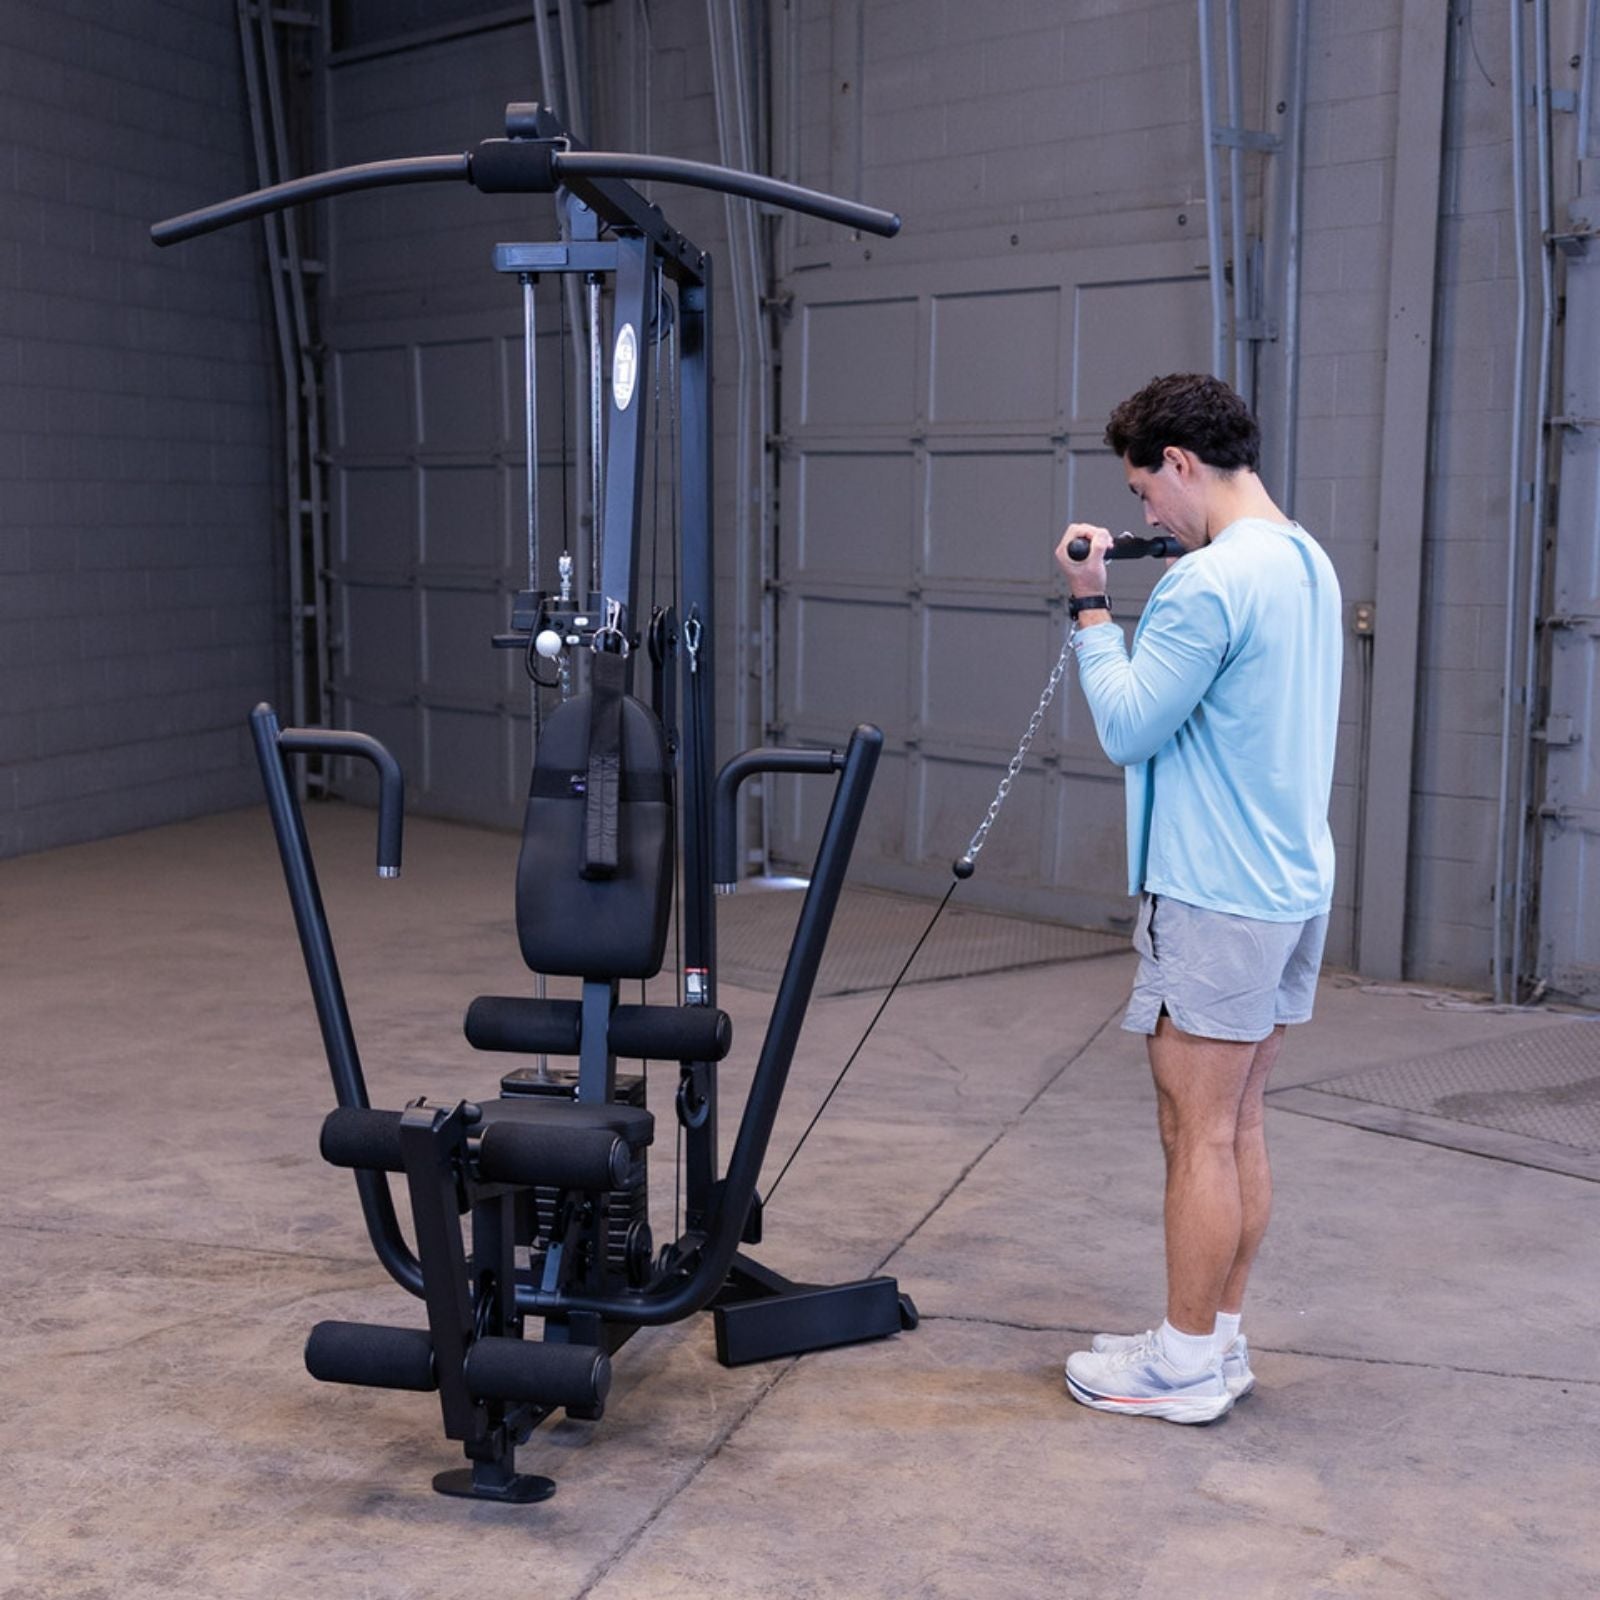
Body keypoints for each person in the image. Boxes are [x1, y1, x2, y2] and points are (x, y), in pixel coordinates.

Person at [1054, 372, 1342, 1424]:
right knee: (1238, 1121)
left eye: (1143, 493)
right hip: (1287, 885)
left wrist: (1091, 607)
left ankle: (1178, 1367)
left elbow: (1129, 724)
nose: (1144, 518)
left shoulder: (1208, 585)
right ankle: (1211, 1340)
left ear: (1179, 463)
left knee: (1197, 1128)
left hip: (1218, 892)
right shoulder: (1302, 560)